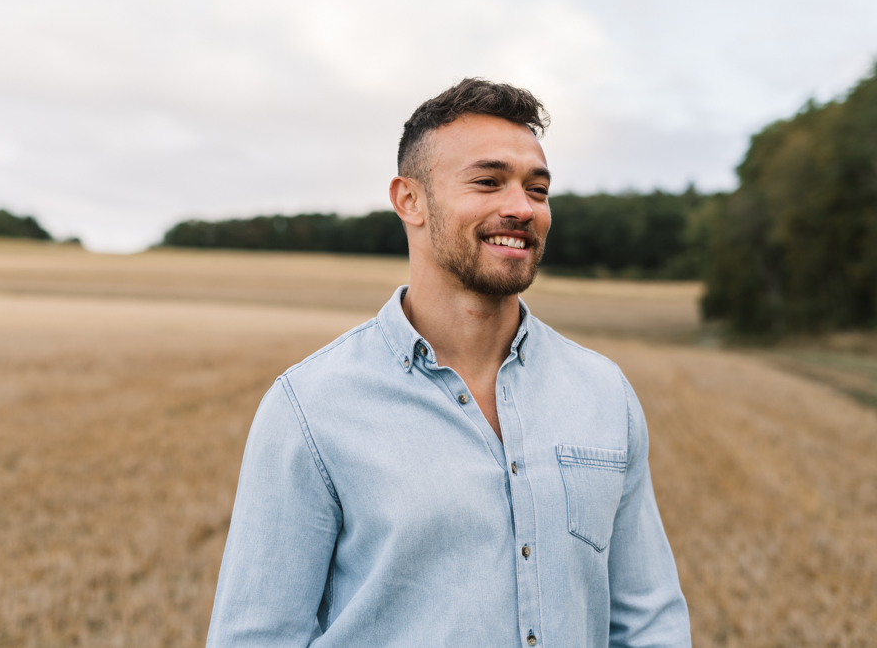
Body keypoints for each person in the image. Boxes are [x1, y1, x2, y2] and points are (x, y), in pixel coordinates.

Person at [206, 78, 691, 647]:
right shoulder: (311, 408)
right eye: (488, 182)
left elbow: (649, 623)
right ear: (409, 200)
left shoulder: (604, 394)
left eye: (537, 190)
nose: (521, 208)